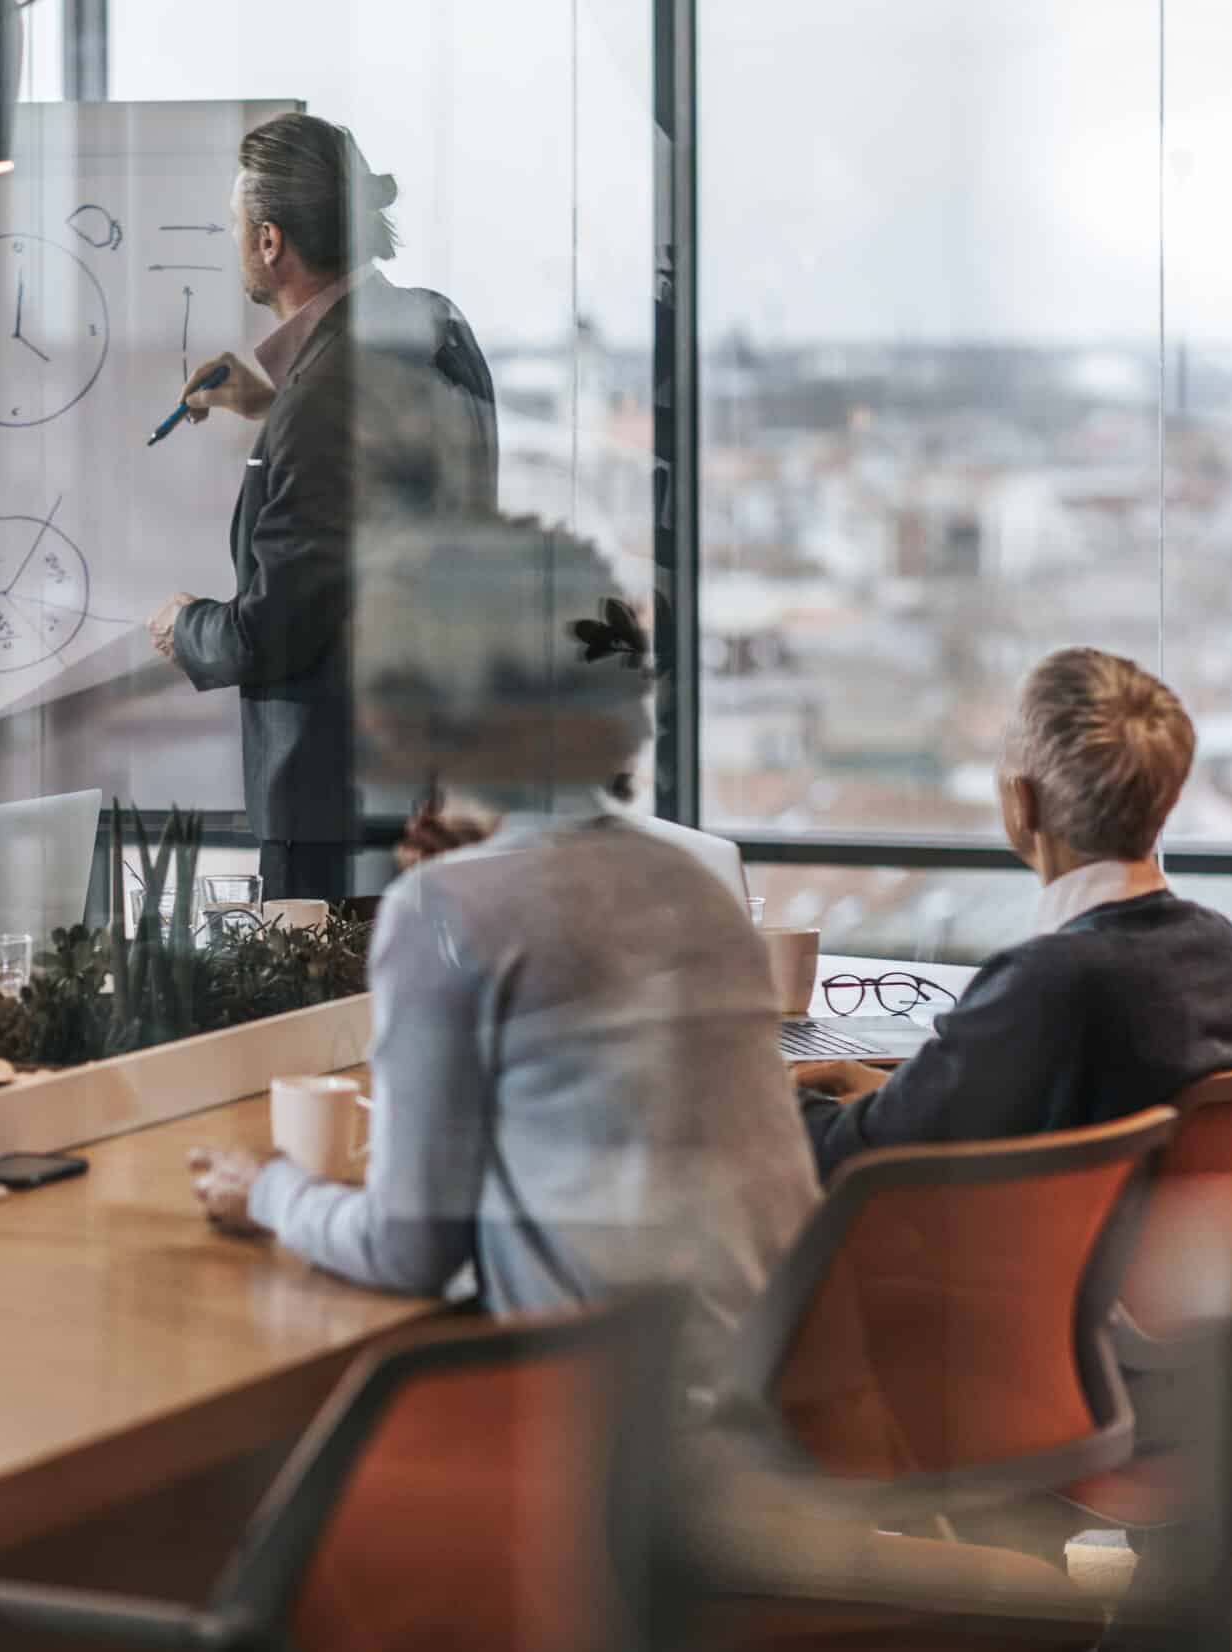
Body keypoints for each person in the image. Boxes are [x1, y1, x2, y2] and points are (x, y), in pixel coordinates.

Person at [187, 518, 817, 1364]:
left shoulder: (448, 909)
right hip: (785, 1397)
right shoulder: (697, 889)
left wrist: (268, 1190)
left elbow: (408, 1251)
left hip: (608, 1439)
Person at [148, 113, 498, 902]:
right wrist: (277, 404)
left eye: (234, 223)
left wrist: (186, 627)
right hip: (423, 787)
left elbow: (278, 629)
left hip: (334, 820)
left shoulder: (327, 399)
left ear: (270, 241)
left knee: (329, 1024)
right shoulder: (434, 327)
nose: (232, 237)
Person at [791, 648, 1232, 1177]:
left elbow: (850, 1156)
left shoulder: (1049, 982)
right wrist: (896, 1092)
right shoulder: (1219, 948)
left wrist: (769, 1092)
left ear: (1023, 802)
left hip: (990, 1255)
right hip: (1153, 1253)